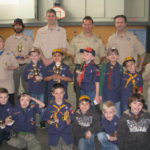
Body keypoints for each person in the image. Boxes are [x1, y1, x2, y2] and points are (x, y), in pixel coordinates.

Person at [68, 16, 106, 101]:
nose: (87, 26)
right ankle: (79, 111)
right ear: (82, 25)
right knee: (79, 92)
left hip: (93, 70)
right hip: (79, 68)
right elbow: (71, 53)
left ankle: (94, 112)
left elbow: (103, 55)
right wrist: (79, 64)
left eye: (89, 24)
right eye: (85, 24)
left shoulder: (98, 40)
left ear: (93, 25)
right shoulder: (76, 39)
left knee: (94, 92)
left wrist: (95, 64)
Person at [5, 18, 33, 96]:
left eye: (19, 25)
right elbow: (6, 54)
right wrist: (13, 57)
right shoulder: (8, 40)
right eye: (16, 25)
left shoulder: (29, 39)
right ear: (13, 27)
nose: (18, 27)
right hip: (14, 67)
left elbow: (33, 52)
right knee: (14, 89)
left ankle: (28, 106)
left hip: (26, 66)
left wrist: (27, 56)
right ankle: (15, 107)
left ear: (22, 26)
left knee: (27, 88)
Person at [42, 83, 74, 150]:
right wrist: (49, 121)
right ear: (53, 94)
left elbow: (72, 117)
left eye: (61, 93)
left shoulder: (68, 106)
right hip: (54, 134)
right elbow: (45, 118)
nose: (59, 96)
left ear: (64, 93)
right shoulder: (49, 107)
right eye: (56, 93)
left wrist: (69, 120)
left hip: (66, 134)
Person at [23, 48, 46, 127]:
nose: (34, 57)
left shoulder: (42, 65)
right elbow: (24, 78)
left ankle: (42, 121)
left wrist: (41, 78)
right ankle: (31, 121)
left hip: (41, 90)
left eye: (36, 55)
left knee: (42, 106)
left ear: (39, 56)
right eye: (32, 55)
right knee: (32, 106)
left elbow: (45, 76)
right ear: (29, 56)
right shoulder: (27, 67)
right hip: (32, 90)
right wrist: (28, 76)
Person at [100, 48, 123, 117]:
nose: (113, 56)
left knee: (117, 113)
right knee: (105, 113)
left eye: (115, 54)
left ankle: (117, 127)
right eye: (110, 54)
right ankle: (105, 127)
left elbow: (122, 82)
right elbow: (101, 81)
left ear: (118, 56)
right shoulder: (104, 67)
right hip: (106, 94)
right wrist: (100, 94)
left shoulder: (121, 67)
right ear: (107, 57)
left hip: (117, 95)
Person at [0, 35, 19, 105]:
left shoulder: (9, 53)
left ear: (3, 43)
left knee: (10, 104)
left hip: (8, 84)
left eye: (0, 41)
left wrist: (9, 67)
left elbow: (16, 66)